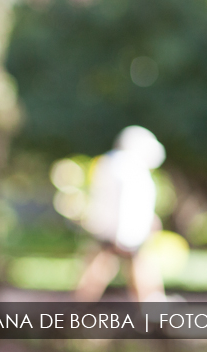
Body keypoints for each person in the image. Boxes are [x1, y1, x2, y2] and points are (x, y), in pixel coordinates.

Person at [75, 126, 166, 302]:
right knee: (135, 269)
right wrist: (124, 235)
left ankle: (78, 308)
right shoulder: (127, 166)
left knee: (105, 268)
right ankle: (153, 308)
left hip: (114, 230)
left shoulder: (110, 162)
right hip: (125, 233)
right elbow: (126, 201)